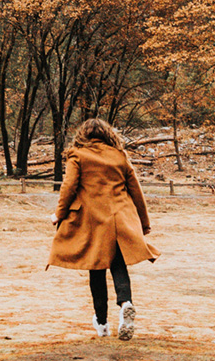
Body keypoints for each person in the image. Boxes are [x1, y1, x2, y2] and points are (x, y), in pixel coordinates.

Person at [48, 118, 160, 341]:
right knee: (118, 265)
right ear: (108, 134)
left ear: (83, 135)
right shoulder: (119, 156)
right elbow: (136, 190)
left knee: (96, 270)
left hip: (93, 221)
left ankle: (102, 324)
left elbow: (68, 187)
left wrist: (58, 214)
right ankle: (126, 303)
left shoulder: (78, 155)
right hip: (120, 219)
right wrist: (144, 223)